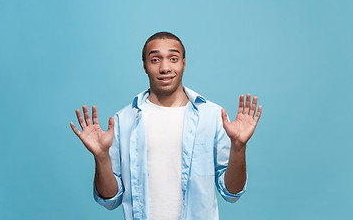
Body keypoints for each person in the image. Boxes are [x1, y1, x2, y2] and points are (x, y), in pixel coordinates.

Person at [70, 32, 262, 220]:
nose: (165, 68)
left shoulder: (212, 116)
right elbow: (110, 199)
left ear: (184, 64)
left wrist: (239, 146)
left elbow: (232, 192)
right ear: (144, 66)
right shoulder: (124, 119)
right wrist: (101, 156)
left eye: (173, 58)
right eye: (155, 60)